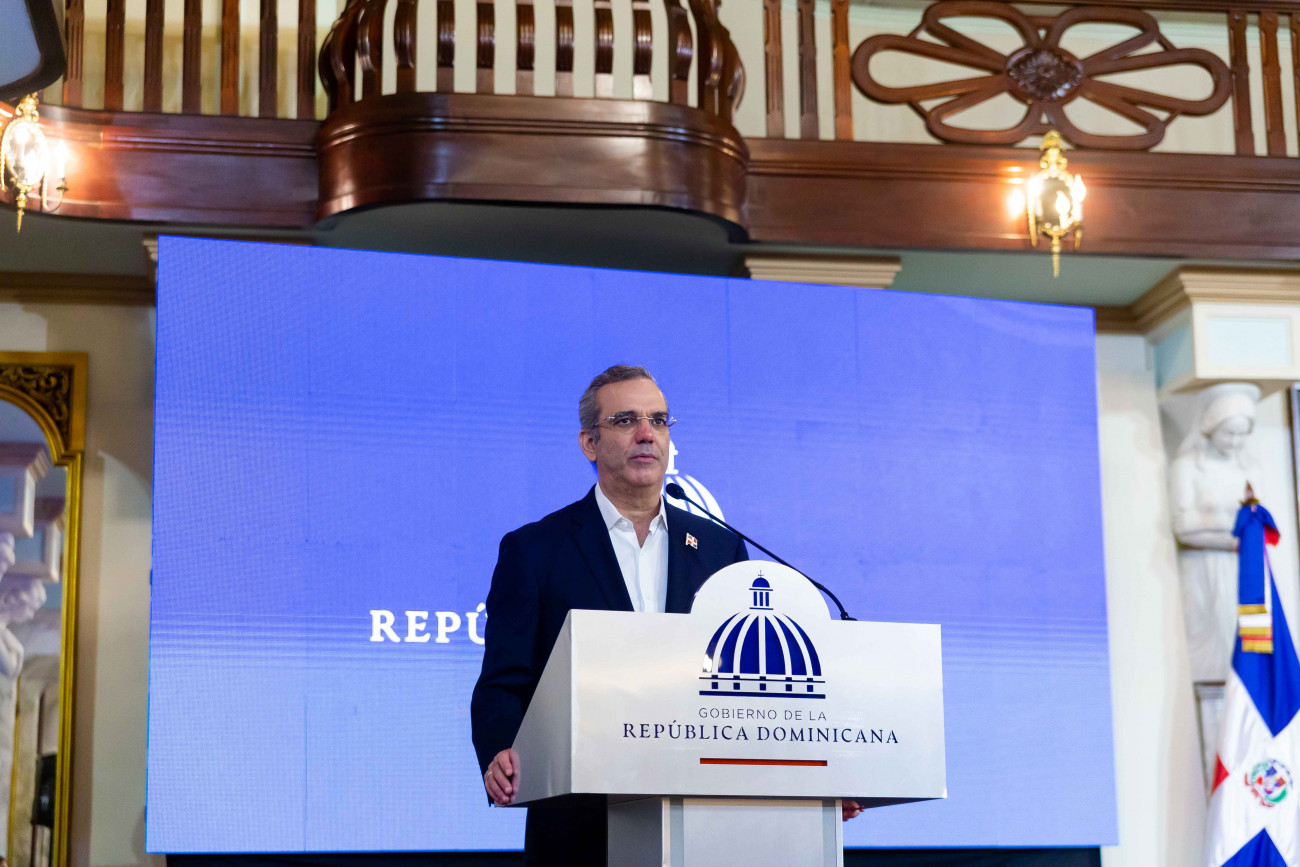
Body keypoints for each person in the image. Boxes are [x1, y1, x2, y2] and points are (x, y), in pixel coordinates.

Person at [470, 365, 750, 865]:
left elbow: (745, 680)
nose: (646, 433)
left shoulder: (719, 549)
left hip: (704, 820)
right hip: (580, 824)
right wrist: (500, 749)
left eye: (658, 420)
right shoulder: (536, 550)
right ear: (589, 443)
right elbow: (503, 681)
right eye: (625, 420)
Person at [1168, 382, 1259, 682]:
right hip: (1205, 569)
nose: (1235, 441)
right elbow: (1185, 527)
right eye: (1228, 433)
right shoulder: (1188, 466)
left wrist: (1218, 527)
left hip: (1247, 569)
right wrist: (1234, 533)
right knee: (1213, 650)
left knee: (1251, 650)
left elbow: (1260, 527)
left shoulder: (1249, 470)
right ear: (1210, 428)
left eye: (1242, 434)